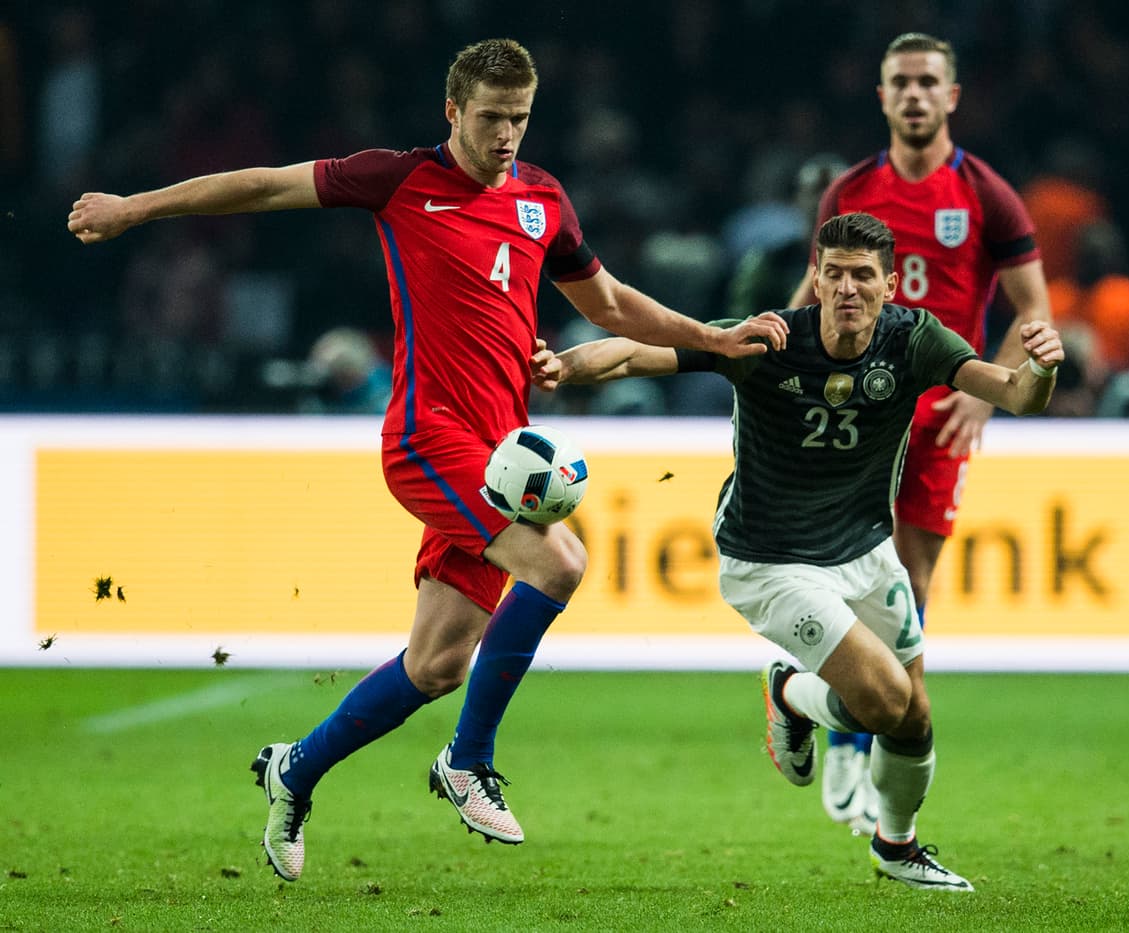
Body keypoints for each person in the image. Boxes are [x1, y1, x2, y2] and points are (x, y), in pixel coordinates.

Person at [67, 38, 788, 882]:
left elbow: (612, 303)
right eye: (491, 117)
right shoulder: (400, 179)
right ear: (453, 111)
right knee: (560, 561)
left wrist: (710, 337)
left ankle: (295, 769)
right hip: (426, 435)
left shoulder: (543, 200)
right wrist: (134, 208)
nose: (506, 135)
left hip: (501, 452)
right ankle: (467, 760)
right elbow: (263, 185)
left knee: (437, 665)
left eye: (520, 118)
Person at [536, 211, 1064, 891]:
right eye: (833, 274)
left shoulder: (914, 339)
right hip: (771, 561)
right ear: (816, 279)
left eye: (862, 276)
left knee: (914, 716)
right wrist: (565, 365)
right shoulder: (769, 341)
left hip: (867, 551)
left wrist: (1041, 367)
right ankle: (788, 691)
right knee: (884, 701)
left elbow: (1017, 395)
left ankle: (896, 845)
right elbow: (637, 354)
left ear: (889, 284)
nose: (847, 289)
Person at [785, 32, 1052, 834]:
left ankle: (852, 731)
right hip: (857, 411)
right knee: (839, 573)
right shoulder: (851, 189)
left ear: (952, 96)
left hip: (938, 417)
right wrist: (777, 366)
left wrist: (988, 397)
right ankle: (841, 732)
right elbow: (815, 290)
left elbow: (1033, 310)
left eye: (928, 82)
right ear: (882, 96)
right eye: (900, 81)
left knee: (909, 584)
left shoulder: (987, 196)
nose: (913, 94)